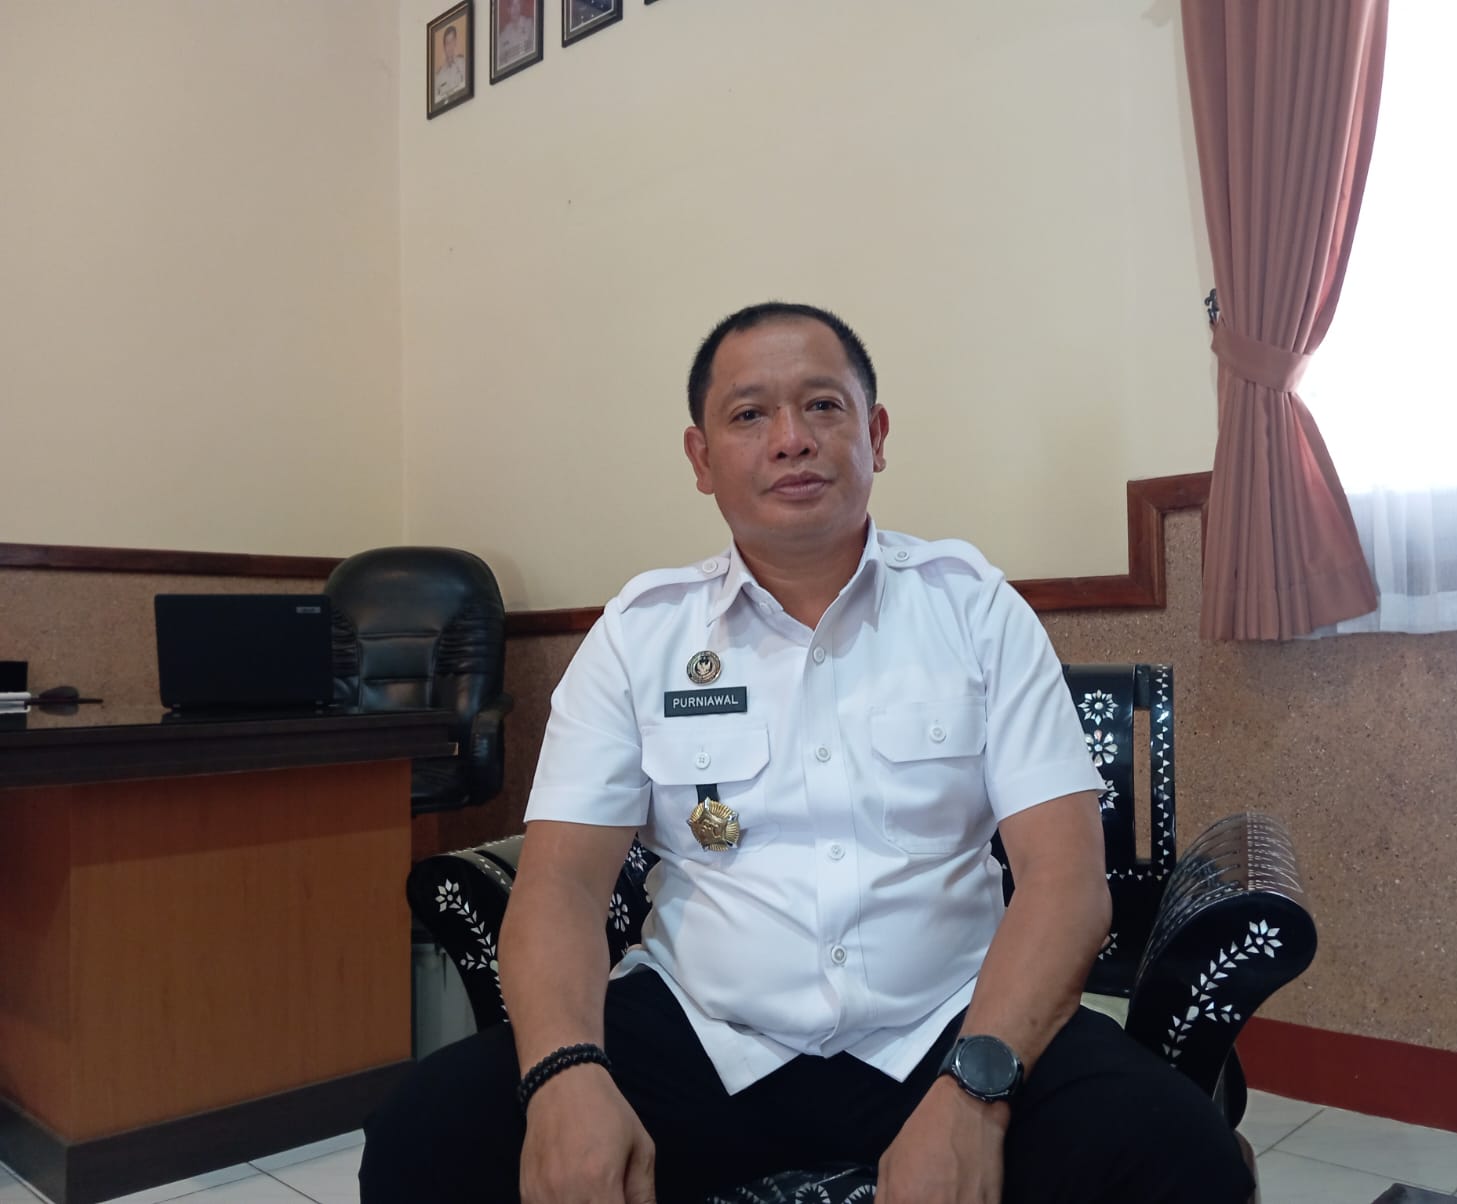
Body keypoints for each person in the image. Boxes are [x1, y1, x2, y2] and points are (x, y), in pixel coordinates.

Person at [360, 303, 1253, 1203]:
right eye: (750, 414)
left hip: (948, 1023)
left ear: (876, 435)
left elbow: (1065, 882)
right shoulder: (640, 635)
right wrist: (564, 1074)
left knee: (1180, 1158)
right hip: (700, 1032)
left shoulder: (974, 610)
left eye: (823, 406)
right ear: (701, 459)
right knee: (428, 1135)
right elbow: (561, 885)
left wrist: (976, 1091)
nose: (791, 438)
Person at [497, 0, 538, 67]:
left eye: (518, 4)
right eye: (512, 5)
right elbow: (500, 62)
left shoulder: (530, 24)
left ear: (521, 7)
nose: (515, 9)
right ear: (508, 10)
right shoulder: (503, 35)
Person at [434, 24, 467, 104]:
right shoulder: (439, 75)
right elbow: (436, 100)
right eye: (447, 43)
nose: (450, 46)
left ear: (455, 42)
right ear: (444, 47)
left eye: (452, 41)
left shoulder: (463, 63)